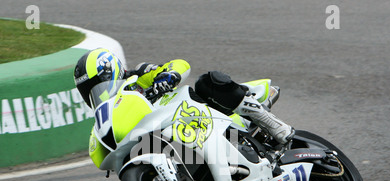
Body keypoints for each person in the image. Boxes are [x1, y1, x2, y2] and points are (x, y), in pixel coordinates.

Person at [74, 48, 293, 144]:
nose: (100, 92)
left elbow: (180, 64)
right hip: (172, 136)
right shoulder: (113, 111)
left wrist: (167, 77)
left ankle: (272, 123)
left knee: (206, 82)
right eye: (92, 91)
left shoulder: (139, 76)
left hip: (195, 114)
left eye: (100, 84)